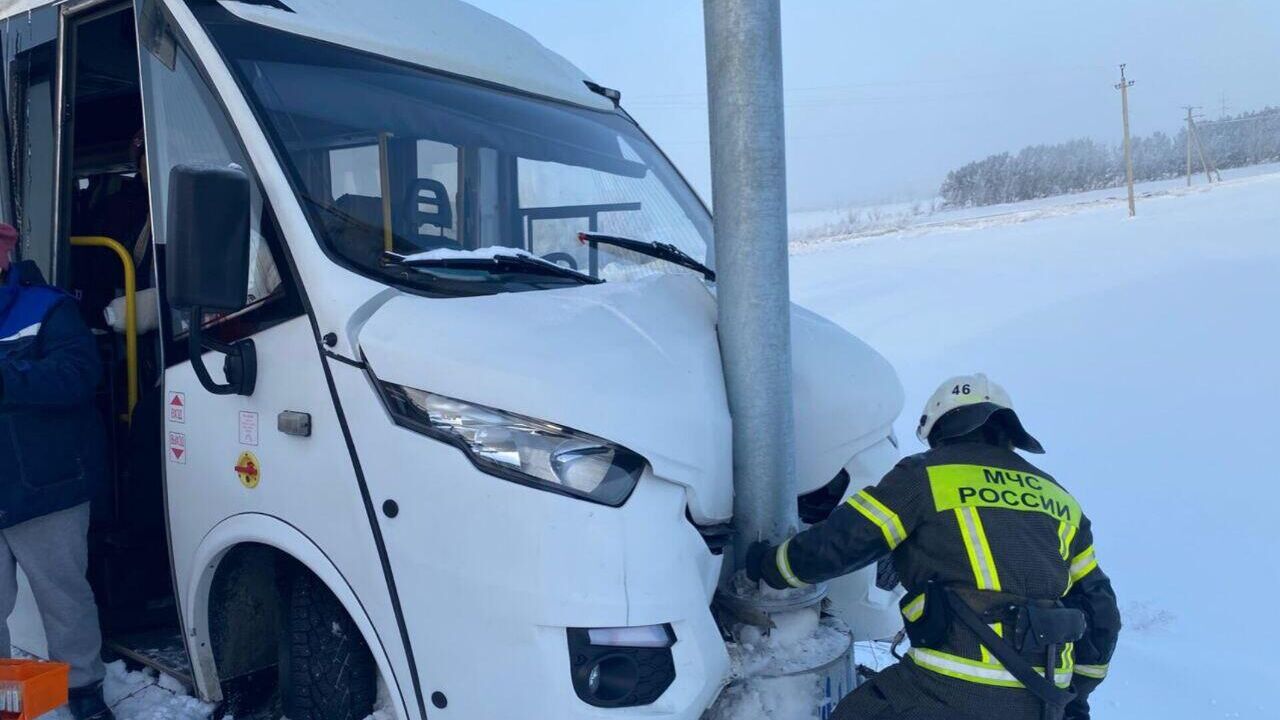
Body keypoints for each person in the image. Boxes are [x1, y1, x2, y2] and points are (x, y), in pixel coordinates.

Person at [748, 374, 1120, 720]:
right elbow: (1100, 610)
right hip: (1043, 698)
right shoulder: (1059, 498)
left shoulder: (926, 475)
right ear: (1009, 433)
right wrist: (1075, 696)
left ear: (938, 430)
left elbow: (848, 538)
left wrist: (772, 567)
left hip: (951, 686)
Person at [0, 223, 113, 720]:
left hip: (45, 487)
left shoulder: (48, 307)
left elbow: (78, 376)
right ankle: (6, 698)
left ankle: (85, 692)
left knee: (63, 598)